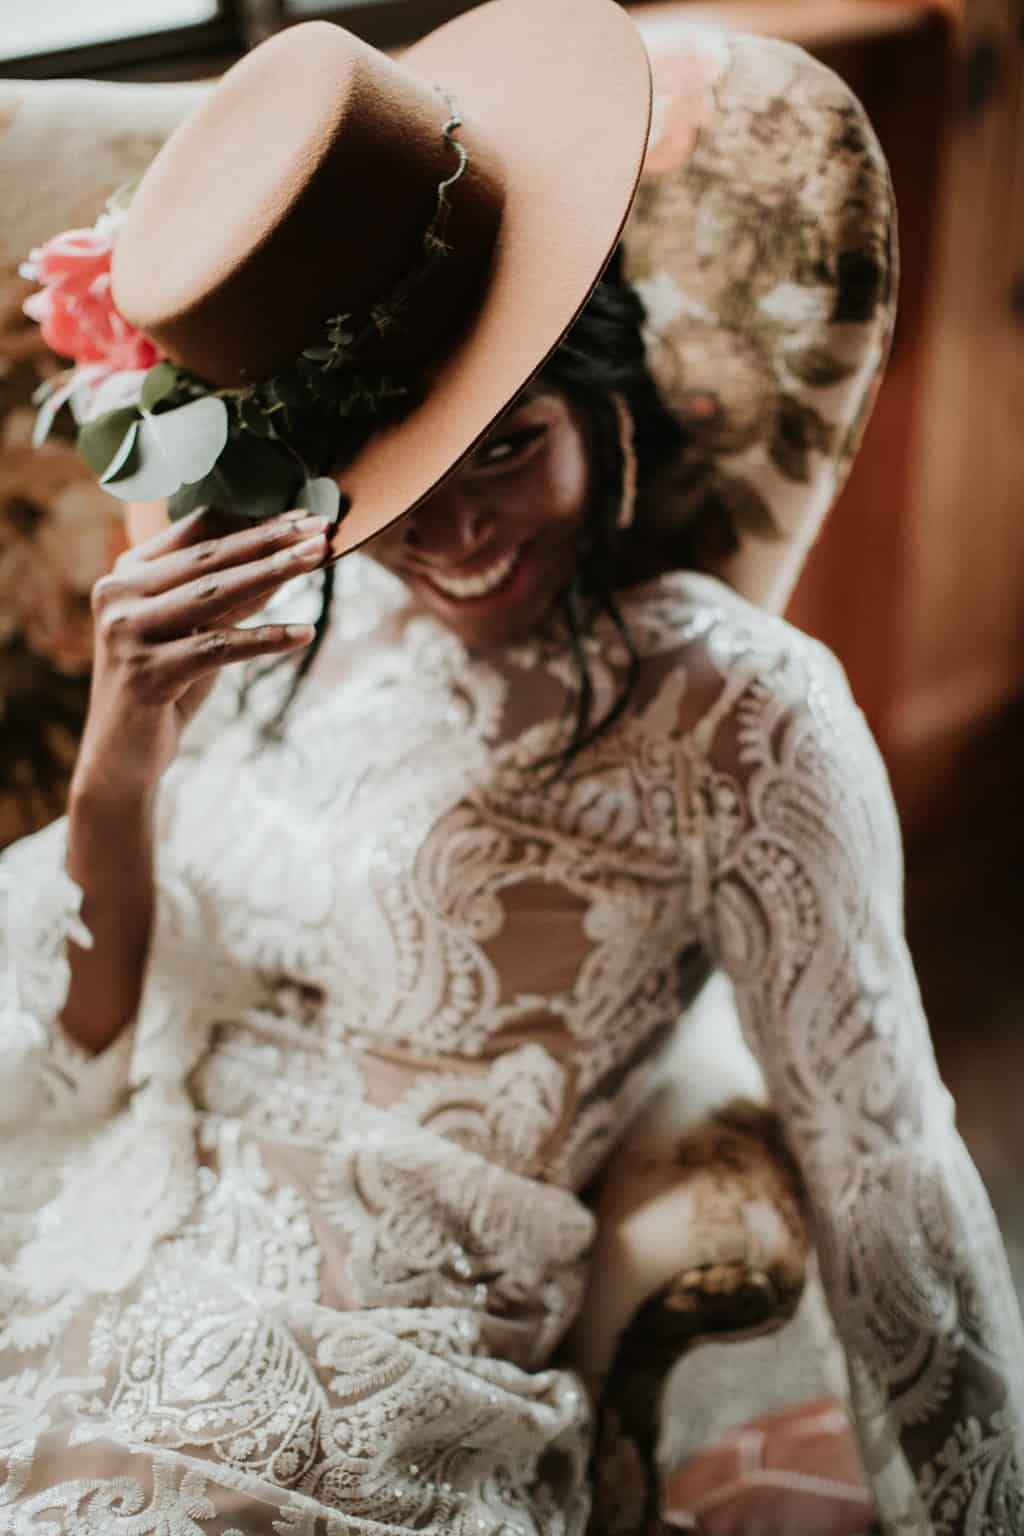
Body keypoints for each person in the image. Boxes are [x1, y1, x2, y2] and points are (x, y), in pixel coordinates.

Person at [2, 4, 1022, 1533]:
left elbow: (886, 1172)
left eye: (506, 448)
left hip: (363, 1360)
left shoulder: (740, 712)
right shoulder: (255, 610)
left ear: (603, 390)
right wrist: (122, 767)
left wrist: (976, 1507)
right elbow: (82, 1053)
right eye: (397, 494)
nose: (462, 541)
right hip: (93, 1236)